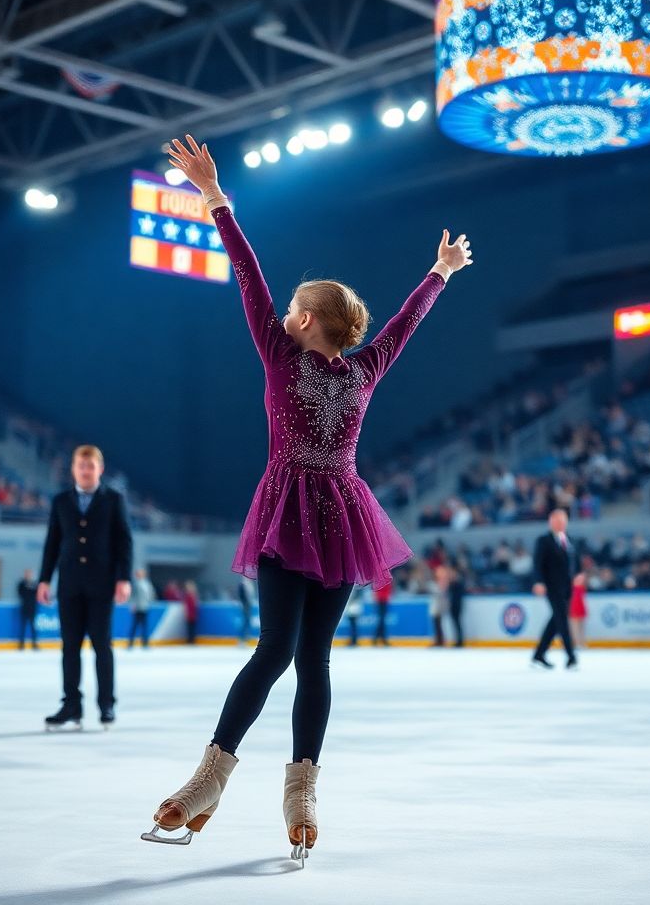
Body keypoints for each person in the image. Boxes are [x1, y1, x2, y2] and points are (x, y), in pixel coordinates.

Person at [144, 135, 470, 861]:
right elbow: (251, 272)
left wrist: (440, 274)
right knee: (277, 653)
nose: (282, 309)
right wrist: (215, 199)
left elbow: (396, 324)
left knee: (310, 660)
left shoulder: (353, 365)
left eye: (293, 306)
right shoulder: (287, 351)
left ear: (308, 319)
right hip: (293, 514)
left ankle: (301, 789)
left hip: (339, 515)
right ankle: (208, 781)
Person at [38, 445, 133, 730]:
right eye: (81, 466)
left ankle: (106, 705)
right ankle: (71, 705)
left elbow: (124, 541)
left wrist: (124, 578)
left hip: (102, 584)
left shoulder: (114, 499)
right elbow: (52, 542)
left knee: (102, 646)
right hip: (69, 584)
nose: (86, 471)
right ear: (74, 469)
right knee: (70, 647)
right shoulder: (60, 501)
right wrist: (44, 579)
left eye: (91, 466)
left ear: (99, 469)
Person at [531, 509, 578, 670]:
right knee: (562, 621)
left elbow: (573, 562)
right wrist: (538, 581)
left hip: (567, 587)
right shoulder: (543, 541)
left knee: (556, 621)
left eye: (563, 521)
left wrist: (578, 575)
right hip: (551, 586)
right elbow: (537, 563)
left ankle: (538, 655)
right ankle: (571, 657)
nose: (560, 524)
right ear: (551, 522)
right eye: (557, 521)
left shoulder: (569, 540)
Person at [128, 568, 155, 648]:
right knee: (134, 626)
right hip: (137, 608)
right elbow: (132, 596)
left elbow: (151, 594)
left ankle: (145, 643)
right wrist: (132, 605)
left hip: (145, 608)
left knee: (145, 626)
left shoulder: (147, 584)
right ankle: (130, 643)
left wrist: (150, 602)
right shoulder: (135, 584)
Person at [16, 569, 39, 650]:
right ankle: (21, 644)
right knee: (23, 626)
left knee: (33, 627)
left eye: (29, 574)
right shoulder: (22, 584)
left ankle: (34, 644)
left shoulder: (34, 584)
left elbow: (36, 594)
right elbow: (20, 594)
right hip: (24, 608)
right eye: (27, 574)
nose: (28, 575)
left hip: (32, 608)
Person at [448, 562, 466, 648]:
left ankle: (460, 641)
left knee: (457, 623)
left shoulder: (458, 583)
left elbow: (459, 594)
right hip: (453, 605)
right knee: (455, 623)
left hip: (457, 605)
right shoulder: (452, 583)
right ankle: (458, 640)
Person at [569, 572, 588, 650]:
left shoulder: (582, 588)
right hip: (573, 609)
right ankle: (575, 643)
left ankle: (581, 642)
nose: (581, 580)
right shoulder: (571, 588)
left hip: (580, 608)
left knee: (581, 627)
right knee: (574, 628)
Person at [373, 577, 392, 647]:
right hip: (381, 600)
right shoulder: (383, 578)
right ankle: (379, 638)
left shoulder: (385, 578)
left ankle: (377, 638)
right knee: (381, 620)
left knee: (382, 620)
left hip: (384, 600)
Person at [183, 581, 200, 645]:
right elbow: (186, 605)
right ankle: (190, 640)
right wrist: (186, 613)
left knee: (192, 627)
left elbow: (195, 605)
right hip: (190, 613)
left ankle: (192, 639)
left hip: (193, 613)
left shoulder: (194, 595)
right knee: (190, 627)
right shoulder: (188, 595)